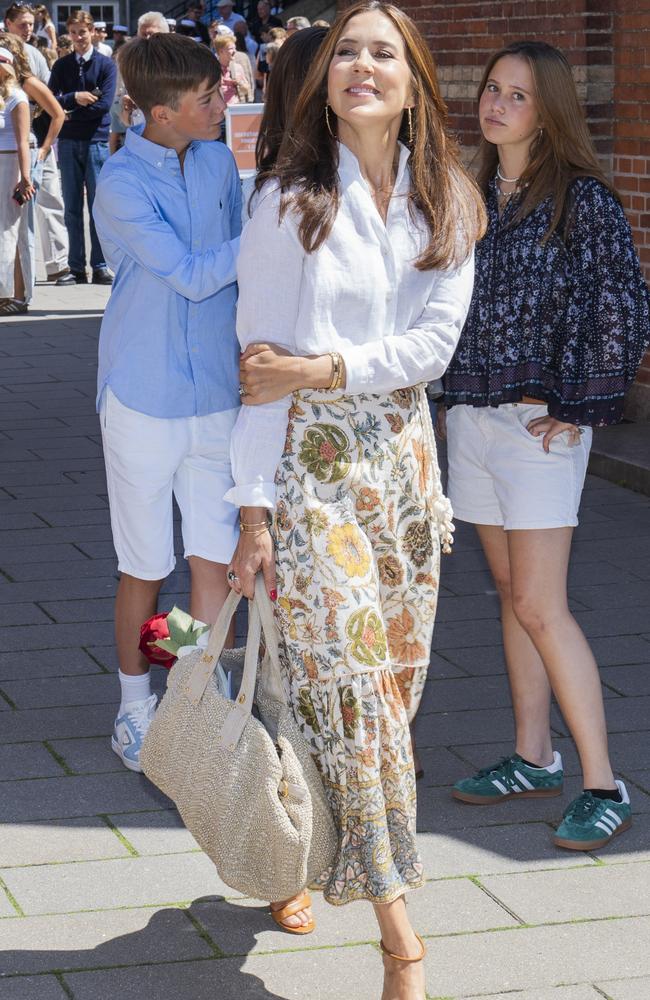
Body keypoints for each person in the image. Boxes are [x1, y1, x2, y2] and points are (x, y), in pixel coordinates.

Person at [225, 2, 484, 995]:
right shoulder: (287, 203)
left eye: (383, 52)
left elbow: (433, 349)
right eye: (345, 54)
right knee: (356, 700)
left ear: (413, 80)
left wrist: (322, 366)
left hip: (406, 478)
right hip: (308, 478)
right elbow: (255, 371)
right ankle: (398, 936)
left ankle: (298, 830)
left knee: (385, 695)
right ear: (325, 80)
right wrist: (251, 511)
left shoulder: (448, 197)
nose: (361, 67)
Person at [442, 41, 650, 851]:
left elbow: (622, 305)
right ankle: (533, 755)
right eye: (493, 89)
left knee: (540, 602)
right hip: (473, 416)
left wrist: (582, 404)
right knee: (508, 592)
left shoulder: (581, 198)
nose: (497, 104)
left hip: (538, 426)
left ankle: (604, 782)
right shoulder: (470, 191)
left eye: (518, 95)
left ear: (549, 109)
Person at [92, 33, 242, 775]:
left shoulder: (220, 160)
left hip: (217, 392)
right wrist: (273, 239)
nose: (224, 103)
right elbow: (189, 273)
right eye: (208, 98)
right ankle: (133, 708)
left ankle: (197, 686)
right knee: (144, 566)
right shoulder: (119, 183)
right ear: (161, 111)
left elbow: (243, 277)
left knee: (212, 559)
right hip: (143, 397)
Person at [48, 9, 116, 284]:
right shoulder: (61, 66)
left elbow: (103, 104)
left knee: (98, 206)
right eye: (74, 32)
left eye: (83, 32)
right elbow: (51, 99)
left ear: (93, 32)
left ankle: (99, 264)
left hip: (96, 141)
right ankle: (76, 267)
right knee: (71, 207)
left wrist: (68, 110)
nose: (78, 37)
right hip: (68, 141)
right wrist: (74, 98)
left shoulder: (105, 65)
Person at [0, 30, 63, 309]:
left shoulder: (26, 85)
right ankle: (13, 291)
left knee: (20, 229)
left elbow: (58, 114)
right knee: (10, 228)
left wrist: (45, 149)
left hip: (24, 155)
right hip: (14, 153)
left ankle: (20, 293)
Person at [0, 45, 34, 315]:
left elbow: (23, 142)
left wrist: (25, 177)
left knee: (8, 229)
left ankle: (9, 293)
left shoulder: (17, 97)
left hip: (10, 162)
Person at [214, 32, 250, 112]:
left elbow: (247, 90)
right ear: (221, 51)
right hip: (218, 112)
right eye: (231, 49)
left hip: (235, 109)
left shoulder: (237, 67)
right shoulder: (212, 69)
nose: (235, 51)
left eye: (235, 48)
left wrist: (239, 83)